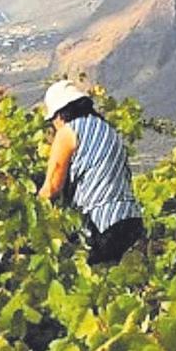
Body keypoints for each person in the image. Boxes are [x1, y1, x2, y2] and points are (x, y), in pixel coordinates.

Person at [39, 80, 144, 265]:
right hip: (131, 220)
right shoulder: (108, 129)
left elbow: (52, 187)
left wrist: (31, 215)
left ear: (59, 115)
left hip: (102, 224)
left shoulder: (68, 133)